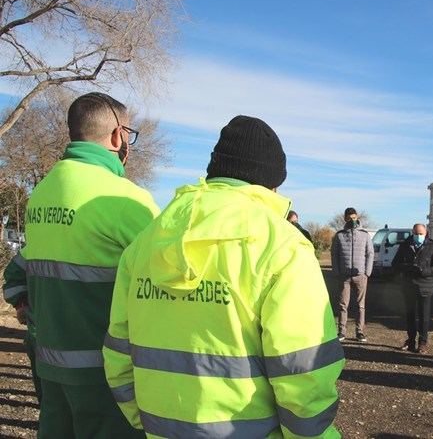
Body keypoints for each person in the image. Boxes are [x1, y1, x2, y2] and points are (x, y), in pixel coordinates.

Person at [103, 115, 344, 437]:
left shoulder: (147, 240)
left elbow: (119, 351)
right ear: (273, 183)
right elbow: (303, 371)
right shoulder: (282, 245)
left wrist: (144, 420)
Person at [2, 92, 158, 438]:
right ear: (118, 136)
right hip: (105, 374)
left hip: (50, 365)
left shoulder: (43, 191)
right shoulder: (125, 198)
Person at [391, 223, 433, 354]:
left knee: (424, 316)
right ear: (412, 233)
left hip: (425, 287)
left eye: (421, 234)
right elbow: (395, 264)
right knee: (410, 315)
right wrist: (407, 267)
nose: (418, 236)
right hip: (409, 286)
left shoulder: (432, 247)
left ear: (426, 234)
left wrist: (423, 271)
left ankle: (423, 342)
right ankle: (410, 340)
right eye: (416, 233)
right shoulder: (405, 246)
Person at [331, 207, 374, 342]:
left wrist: (367, 272)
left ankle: (360, 332)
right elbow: (334, 254)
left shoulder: (365, 235)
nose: (352, 220)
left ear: (357, 218)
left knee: (360, 305)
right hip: (344, 276)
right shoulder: (339, 235)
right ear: (345, 219)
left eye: (354, 218)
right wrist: (337, 271)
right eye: (349, 218)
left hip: (360, 275)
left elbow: (370, 253)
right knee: (343, 304)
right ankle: (341, 331)